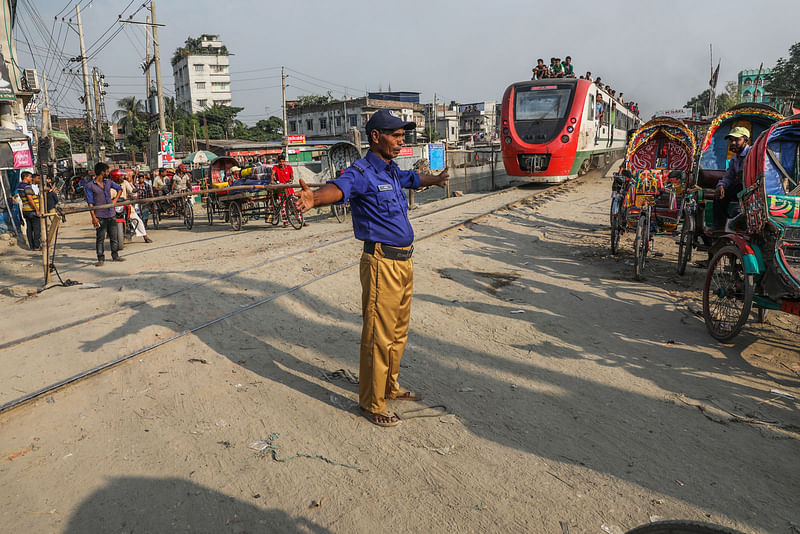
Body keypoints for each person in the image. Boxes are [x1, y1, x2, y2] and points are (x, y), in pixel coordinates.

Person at [295, 109, 450, 428]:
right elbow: (337, 189)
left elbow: (413, 179)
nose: (400, 139)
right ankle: (371, 401)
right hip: (381, 263)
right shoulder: (362, 171)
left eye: (402, 134)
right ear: (376, 136)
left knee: (397, 332)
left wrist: (435, 179)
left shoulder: (392, 170)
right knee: (378, 334)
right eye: (395, 135)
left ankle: (389, 386)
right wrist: (314, 199)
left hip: (404, 261)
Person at [85, 162, 124, 266]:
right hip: (100, 215)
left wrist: (115, 201)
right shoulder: (90, 186)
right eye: (107, 171)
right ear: (102, 172)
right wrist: (93, 217)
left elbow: (120, 189)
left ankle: (115, 255)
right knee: (100, 238)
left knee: (114, 237)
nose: (108, 173)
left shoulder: (109, 182)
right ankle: (100, 258)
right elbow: (90, 203)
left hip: (111, 213)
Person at [713, 126, 751, 232]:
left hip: (751, 189)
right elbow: (729, 176)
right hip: (740, 188)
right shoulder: (735, 158)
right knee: (719, 196)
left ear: (745, 140)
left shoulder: (751, 154)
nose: (733, 143)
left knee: (738, 211)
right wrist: (721, 186)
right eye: (731, 140)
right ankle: (720, 226)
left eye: (737, 140)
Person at [119, 172, 152, 243]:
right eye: (121, 176)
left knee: (136, 219)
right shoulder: (108, 184)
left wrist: (134, 195)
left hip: (125, 204)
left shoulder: (125, 183)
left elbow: (131, 191)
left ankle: (145, 236)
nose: (123, 177)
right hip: (113, 206)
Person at [271, 157, 300, 227]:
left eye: (283, 161)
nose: (281, 163)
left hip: (289, 189)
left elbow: (292, 176)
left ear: (285, 161)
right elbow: (273, 174)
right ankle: (285, 222)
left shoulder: (289, 167)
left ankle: (300, 220)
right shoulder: (275, 167)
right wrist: (272, 180)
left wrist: (291, 179)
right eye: (280, 162)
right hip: (280, 190)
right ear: (278, 162)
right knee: (283, 207)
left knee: (294, 205)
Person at [16, 171, 41, 250]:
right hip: (32, 210)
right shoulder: (27, 187)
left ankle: (32, 246)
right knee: (37, 229)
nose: (31, 178)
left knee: (29, 229)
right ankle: (36, 246)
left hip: (25, 210)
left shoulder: (20, 186)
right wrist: (37, 209)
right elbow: (30, 199)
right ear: (25, 177)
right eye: (30, 177)